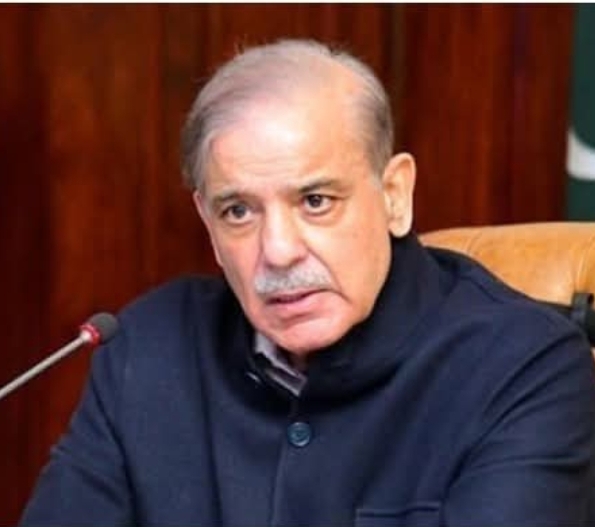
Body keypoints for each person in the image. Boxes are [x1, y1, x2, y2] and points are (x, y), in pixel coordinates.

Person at [20, 39, 595, 526]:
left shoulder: (526, 367)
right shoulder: (145, 346)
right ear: (207, 223)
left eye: (316, 201)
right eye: (238, 211)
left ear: (395, 196)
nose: (278, 251)